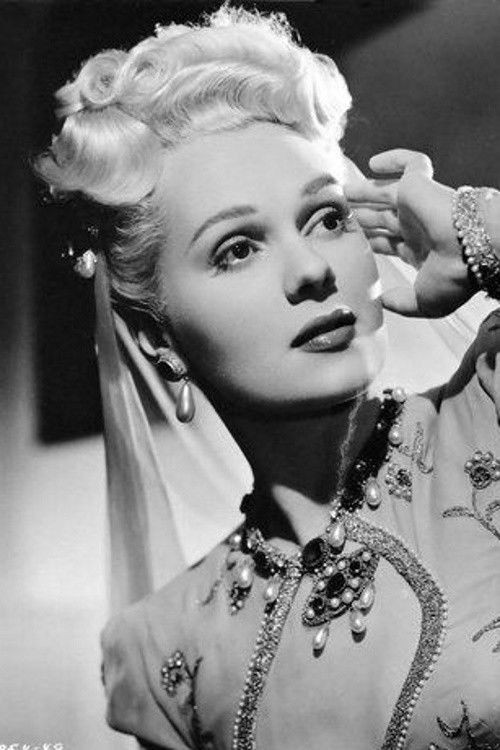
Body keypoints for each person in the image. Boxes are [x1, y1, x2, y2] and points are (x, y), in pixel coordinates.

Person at [34, 5, 500, 749]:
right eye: (238, 248)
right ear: (158, 338)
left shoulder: (490, 417)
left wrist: (479, 231)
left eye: (327, 219)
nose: (313, 269)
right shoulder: (164, 654)